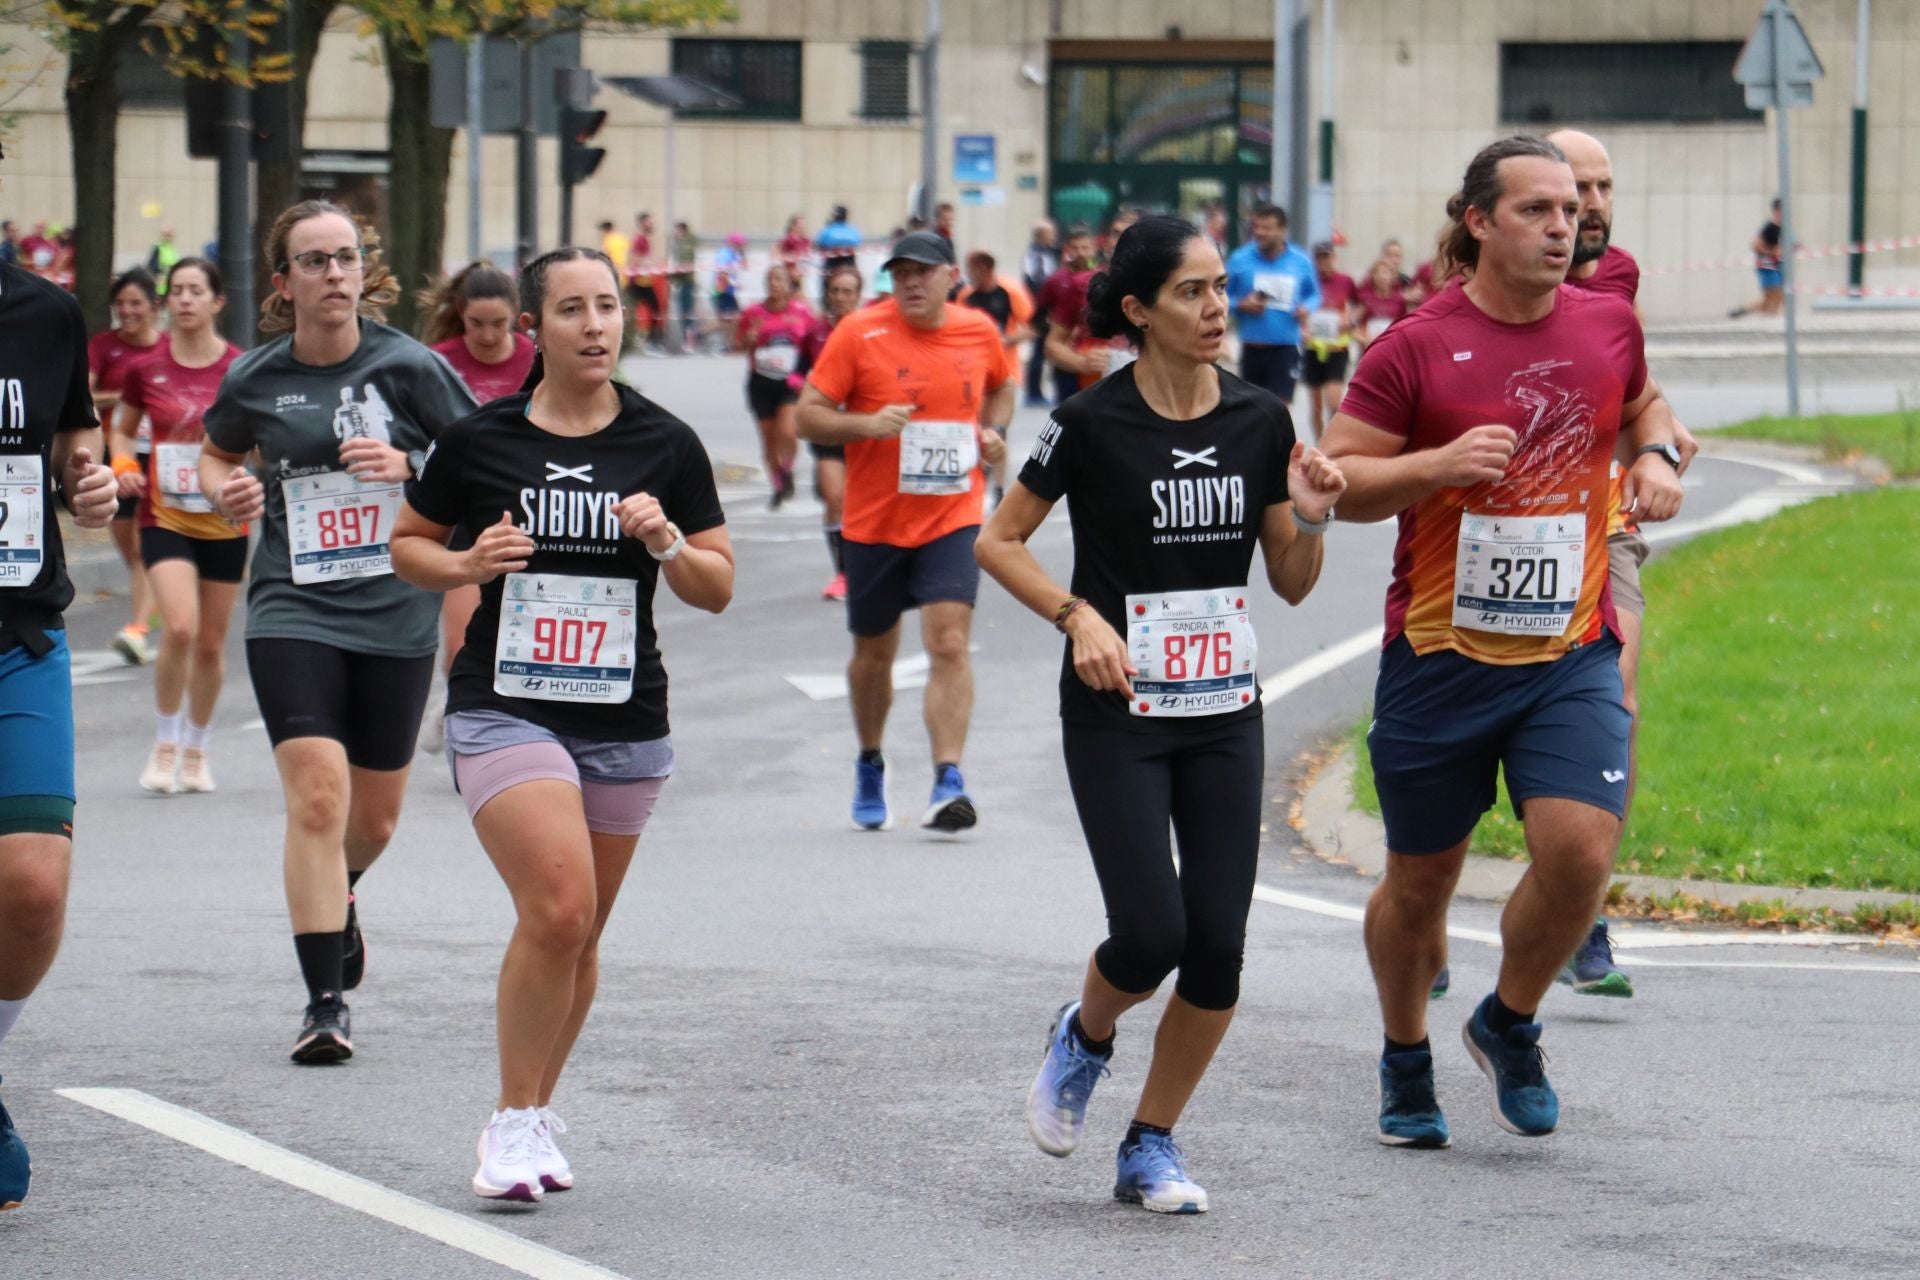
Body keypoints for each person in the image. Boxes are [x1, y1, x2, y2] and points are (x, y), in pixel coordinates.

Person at [1319, 135, 1685, 1149]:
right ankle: (1404, 1051)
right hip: (1441, 657)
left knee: (1580, 851)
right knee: (1420, 884)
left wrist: (1651, 455)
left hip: (1569, 649)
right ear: (1479, 221)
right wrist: (1436, 464)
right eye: (1538, 209)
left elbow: (1642, 399)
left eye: (1571, 209)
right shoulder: (1415, 345)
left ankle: (1509, 1020)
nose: (1564, 226)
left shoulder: (1608, 321)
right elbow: (1340, 486)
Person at [977, 215, 1346, 1214]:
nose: (1218, 306)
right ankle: (1084, 1034)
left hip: (1224, 707)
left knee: (1218, 945)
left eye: (1222, 286)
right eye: (1193, 291)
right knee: (1150, 932)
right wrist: (1076, 614)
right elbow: (999, 540)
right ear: (1139, 311)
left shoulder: (1262, 419)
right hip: (1116, 709)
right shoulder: (1089, 422)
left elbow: (1295, 582)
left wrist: (1310, 511)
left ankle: (1151, 1140)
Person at [392, 245, 733, 1204]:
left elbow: (717, 587)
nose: (596, 325)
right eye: (574, 310)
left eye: (610, 307)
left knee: (578, 938)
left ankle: (536, 1110)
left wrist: (665, 540)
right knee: (559, 905)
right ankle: (507, 1122)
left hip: (626, 715)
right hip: (507, 704)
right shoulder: (482, 439)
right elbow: (409, 545)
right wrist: (468, 566)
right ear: (535, 330)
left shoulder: (665, 443)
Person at [198, 200, 477, 1064]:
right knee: (319, 794)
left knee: (376, 819)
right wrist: (225, 490)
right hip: (293, 604)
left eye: (344, 258)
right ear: (283, 282)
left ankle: (338, 894)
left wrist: (412, 464)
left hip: (396, 607)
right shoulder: (258, 376)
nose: (331, 274)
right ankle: (325, 1004)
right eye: (312, 261)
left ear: (365, 272)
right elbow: (216, 452)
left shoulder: (410, 368)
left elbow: (485, 458)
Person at [1544, 127, 1701, 996]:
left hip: (1604, 523)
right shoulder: (1473, 281)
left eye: (1603, 189)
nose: (1593, 208)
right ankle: (1421, 899)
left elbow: (1641, 386)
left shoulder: (1619, 276)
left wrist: (1659, 449)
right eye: (1575, 192)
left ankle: (1583, 906)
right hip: (1499, 531)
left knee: (1618, 698)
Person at [0, 133, 123, 1210]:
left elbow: (79, 453)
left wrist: (92, 494)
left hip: (16, 639)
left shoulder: (44, 314)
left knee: (33, 889)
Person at [796, 230, 1014, 832]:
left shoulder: (978, 331)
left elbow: (1001, 384)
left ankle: (949, 779)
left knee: (948, 643)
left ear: (951, 278)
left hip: (953, 514)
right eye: (900, 273)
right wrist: (866, 425)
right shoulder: (857, 333)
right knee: (873, 655)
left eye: (924, 272)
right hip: (875, 523)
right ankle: (870, 759)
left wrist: (993, 433)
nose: (911, 283)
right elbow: (806, 414)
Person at [109, 258, 244, 795]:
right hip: (163, 516)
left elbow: (258, 439)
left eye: (196, 291)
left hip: (225, 521)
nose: (184, 300)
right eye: (177, 291)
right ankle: (165, 744)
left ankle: (197, 747)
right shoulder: (147, 368)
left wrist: (249, 474)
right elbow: (120, 430)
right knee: (181, 628)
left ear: (217, 301)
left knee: (211, 645)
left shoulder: (240, 369)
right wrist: (122, 467)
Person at [418, 262, 538, 750]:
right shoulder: (435, 363)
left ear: (518, 320)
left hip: (528, 510)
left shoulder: (537, 359)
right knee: (462, 642)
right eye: (476, 325)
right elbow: (411, 431)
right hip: (461, 516)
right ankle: (458, 702)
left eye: (500, 325)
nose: (488, 337)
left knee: (524, 634)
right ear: (459, 316)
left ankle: (505, 724)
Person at [89, 268, 165, 665]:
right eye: (120, 304)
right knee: (132, 549)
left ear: (155, 307)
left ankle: (138, 628)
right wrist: (128, 398)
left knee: (149, 545)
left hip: (161, 456)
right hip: (116, 451)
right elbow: (85, 395)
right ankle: (157, 607)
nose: (127, 311)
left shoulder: (169, 347)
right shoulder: (104, 346)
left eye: (135, 303)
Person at [795, 263, 864, 602]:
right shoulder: (816, 331)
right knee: (835, 497)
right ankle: (843, 572)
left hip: (866, 429)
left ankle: (870, 565)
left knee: (863, 501)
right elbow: (796, 372)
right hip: (827, 428)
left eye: (847, 292)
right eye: (835, 291)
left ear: (858, 296)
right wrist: (804, 387)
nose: (840, 297)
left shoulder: (870, 331)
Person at [956, 249, 1034, 504]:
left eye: (975, 268)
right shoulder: (967, 296)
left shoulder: (1009, 292)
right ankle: (981, 478)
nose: (971, 274)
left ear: (987, 268)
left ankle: (998, 489)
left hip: (1005, 373)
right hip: (975, 372)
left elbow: (1032, 326)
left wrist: (1009, 340)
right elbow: (954, 327)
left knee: (998, 431)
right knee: (979, 428)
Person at [738, 264, 816, 510]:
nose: (775, 284)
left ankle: (788, 467)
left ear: (788, 284)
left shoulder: (802, 313)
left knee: (788, 431)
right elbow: (738, 343)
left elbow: (814, 344)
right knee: (769, 440)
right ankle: (779, 484)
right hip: (760, 382)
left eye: (779, 279)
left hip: (789, 382)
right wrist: (748, 339)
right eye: (770, 279)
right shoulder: (753, 313)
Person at [1225, 205, 1317, 406]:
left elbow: (1314, 295)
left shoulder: (1300, 261)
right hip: (1252, 346)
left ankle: (1279, 439)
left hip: (1285, 347)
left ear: (1282, 230)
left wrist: (1305, 308)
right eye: (1257, 227)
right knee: (1250, 408)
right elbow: (1221, 297)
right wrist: (1242, 304)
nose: (1259, 233)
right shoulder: (1240, 259)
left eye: (1267, 228)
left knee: (1280, 408)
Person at [1042, 224, 1117, 401]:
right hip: (1079, 366)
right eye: (1076, 248)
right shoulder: (1061, 280)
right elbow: (1042, 317)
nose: (1081, 253)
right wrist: (1078, 359)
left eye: (1085, 247)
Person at [1300, 240, 1358, 443]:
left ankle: (1331, 445)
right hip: (1313, 347)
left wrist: (1350, 321)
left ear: (1334, 258)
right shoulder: (1308, 282)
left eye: (1327, 257)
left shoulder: (1345, 281)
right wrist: (1301, 330)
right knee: (1315, 406)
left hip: (1337, 347)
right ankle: (1319, 445)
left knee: (1334, 402)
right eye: (1319, 258)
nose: (1323, 262)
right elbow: (1298, 310)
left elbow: (1359, 306)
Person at [1021, 219, 1060, 407]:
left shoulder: (1047, 254)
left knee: (1042, 350)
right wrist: (1044, 308)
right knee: (1039, 351)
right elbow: (1035, 282)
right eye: (1049, 233)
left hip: (1045, 308)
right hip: (1041, 310)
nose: (1053, 236)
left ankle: (1037, 390)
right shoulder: (1035, 255)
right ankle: (1033, 392)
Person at [1731, 198, 1785, 318]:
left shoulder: (1780, 227)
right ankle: (1762, 318)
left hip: (1774, 266)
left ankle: (1743, 311)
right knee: (1774, 298)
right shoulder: (1770, 227)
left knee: (1775, 299)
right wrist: (1772, 252)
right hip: (1767, 266)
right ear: (1777, 211)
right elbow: (1755, 245)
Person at [1355, 257, 1409, 350]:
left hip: (1391, 349)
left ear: (1392, 276)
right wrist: (1364, 340)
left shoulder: (1399, 299)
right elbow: (1353, 325)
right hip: (1368, 348)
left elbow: (1405, 327)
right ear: (1372, 276)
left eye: (1385, 273)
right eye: (1377, 273)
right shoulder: (1364, 298)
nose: (1381, 277)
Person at [815, 205, 862, 305]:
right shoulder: (852, 231)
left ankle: (827, 305)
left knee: (828, 285)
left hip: (832, 264)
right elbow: (857, 242)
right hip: (848, 263)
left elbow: (819, 243)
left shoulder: (828, 230)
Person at [711, 233, 746, 347]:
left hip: (728, 292)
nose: (742, 246)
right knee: (725, 321)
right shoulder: (724, 254)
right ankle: (696, 334)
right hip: (720, 291)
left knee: (734, 319)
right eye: (740, 244)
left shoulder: (734, 255)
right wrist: (734, 283)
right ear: (733, 243)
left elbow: (741, 266)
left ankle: (728, 345)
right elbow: (722, 273)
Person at [668, 221, 698, 347]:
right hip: (683, 283)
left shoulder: (685, 246)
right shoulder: (679, 245)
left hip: (686, 282)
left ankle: (689, 340)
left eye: (677, 230)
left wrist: (672, 276)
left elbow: (683, 265)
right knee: (685, 312)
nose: (675, 233)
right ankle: (688, 340)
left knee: (686, 312)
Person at [777, 214, 810, 289]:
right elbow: (778, 252)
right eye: (800, 224)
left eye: (804, 224)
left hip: (801, 273)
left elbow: (807, 254)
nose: (803, 226)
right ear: (793, 226)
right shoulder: (788, 239)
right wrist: (789, 258)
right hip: (790, 273)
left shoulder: (805, 240)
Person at [146, 226, 181, 295]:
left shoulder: (173, 249)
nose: (168, 237)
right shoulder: (158, 248)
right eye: (166, 234)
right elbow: (151, 265)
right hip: (160, 287)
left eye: (170, 234)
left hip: (171, 285)